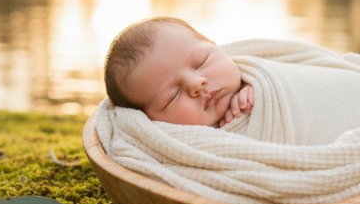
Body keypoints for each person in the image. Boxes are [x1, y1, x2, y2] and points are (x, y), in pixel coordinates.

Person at [104, 17, 255, 128]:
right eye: (172, 97)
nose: (196, 83)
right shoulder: (174, 145)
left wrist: (259, 92)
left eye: (202, 61)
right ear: (148, 120)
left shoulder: (257, 74)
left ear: (216, 47)